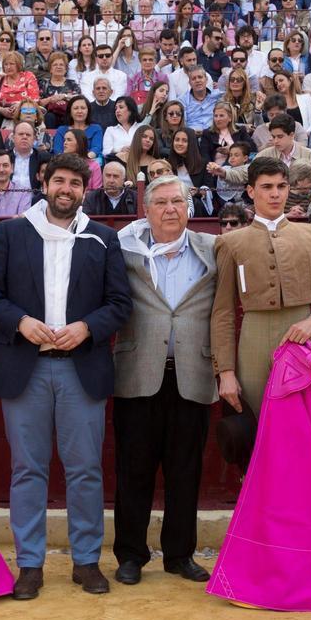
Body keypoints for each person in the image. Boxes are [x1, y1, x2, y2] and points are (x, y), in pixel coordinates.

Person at [0, 153, 132, 600]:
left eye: (75, 183)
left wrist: (87, 328)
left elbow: (119, 303)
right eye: (59, 180)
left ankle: (85, 562)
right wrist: (21, 322)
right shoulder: (11, 232)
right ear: (44, 182)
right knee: (28, 469)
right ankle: (30, 564)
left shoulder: (103, 237)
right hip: (26, 365)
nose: (66, 189)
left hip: (81, 368)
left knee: (85, 469)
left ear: (86, 189)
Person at [111, 187, 217, 591]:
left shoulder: (212, 249)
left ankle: (179, 555)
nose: (171, 209)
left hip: (192, 371)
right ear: (146, 210)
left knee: (185, 471)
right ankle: (131, 554)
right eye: (161, 202)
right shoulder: (123, 249)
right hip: (138, 371)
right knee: (133, 470)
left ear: (188, 207)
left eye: (178, 202)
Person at [211, 157, 311, 418]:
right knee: (259, 425)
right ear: (251, 191)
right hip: (252, 343)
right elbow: (223, 311)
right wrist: (226, 372)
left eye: (281, 186)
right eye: (267, 187)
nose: (275, 194)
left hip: (302, 339)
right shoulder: (231, 243)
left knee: (305, 423)